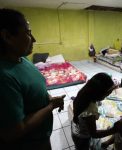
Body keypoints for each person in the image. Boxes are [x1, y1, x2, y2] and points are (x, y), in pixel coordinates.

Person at [0, 8, 65, 150]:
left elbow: (34, 86)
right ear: (7, 37)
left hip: (41, 137)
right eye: (28, 33)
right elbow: (13, 131)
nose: (34, 39)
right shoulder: (4, 77)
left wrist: (49, 98)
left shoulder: (22, 58)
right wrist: (50, 107)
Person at [71, 72, 118, 150]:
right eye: (106, 94)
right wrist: (113, 130)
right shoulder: (90, 111)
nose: (107, 96)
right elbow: (94, 134)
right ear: (98, 94)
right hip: (82, 137)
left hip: (75, 128)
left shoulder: (83, 94)